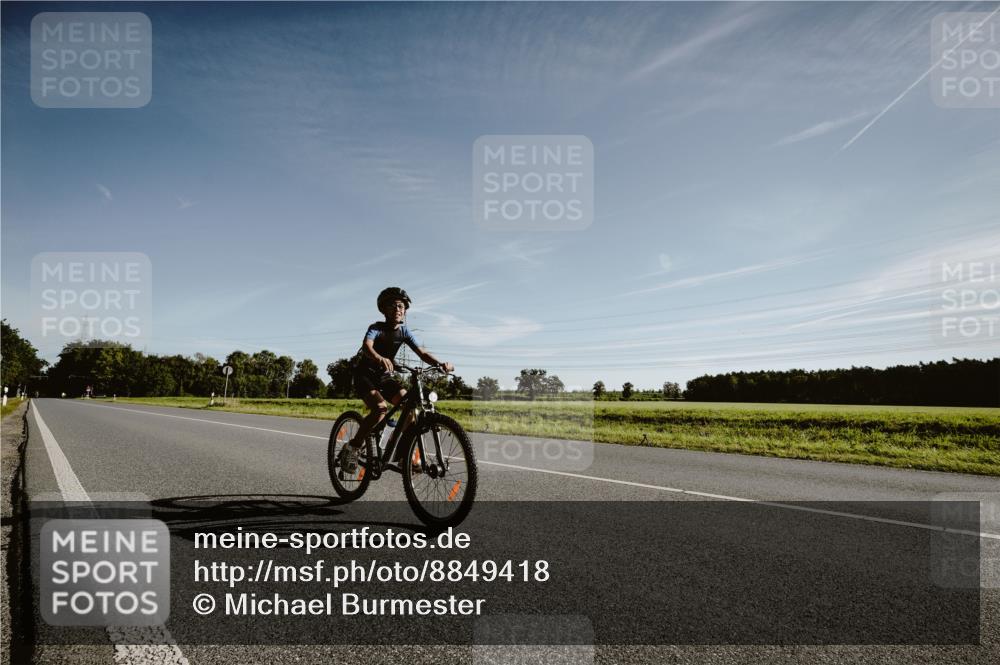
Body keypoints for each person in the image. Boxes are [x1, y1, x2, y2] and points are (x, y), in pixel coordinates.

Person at [340, 287, 453, 475]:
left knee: (410, 410)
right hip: (365, 375)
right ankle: (352, 447)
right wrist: (379, 358)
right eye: (393, 306)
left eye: (402, 306)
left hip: (385, 377)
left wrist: (440, 364)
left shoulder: (404, 332)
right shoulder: (376, 328)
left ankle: (401, 454)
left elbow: (422, 352)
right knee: (380, 410)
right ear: (384, 310)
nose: (399, 310)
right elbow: (367, 346)